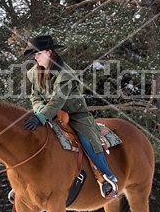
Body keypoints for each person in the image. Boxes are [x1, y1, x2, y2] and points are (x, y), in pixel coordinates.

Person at [22, 35, 118, 199]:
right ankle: (24, 181)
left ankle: (108, 177)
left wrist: (41, 116)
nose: (35, 57)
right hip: (47, 113)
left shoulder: (65, 73)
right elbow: (35, 97)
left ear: (49, 52)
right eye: (34, 55)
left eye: (38, 53)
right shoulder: (33, 73)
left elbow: (58, 100)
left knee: (88, 140)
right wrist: (39, 112)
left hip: (75, 115)